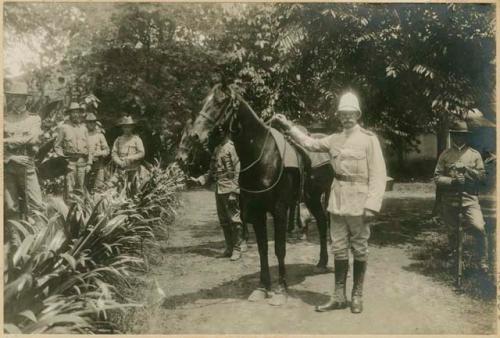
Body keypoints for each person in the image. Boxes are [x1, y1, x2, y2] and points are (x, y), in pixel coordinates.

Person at [273, 92, 387, 314]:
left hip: (360, 201)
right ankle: (338, 296)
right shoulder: (334, 139)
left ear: (358, 114)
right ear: (339, 116)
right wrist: (288, 125)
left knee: (360, 248)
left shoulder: (368, 139)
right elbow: (309, 143)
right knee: (339, 248)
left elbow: (378, 174)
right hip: (337, 201)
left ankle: (356, 296)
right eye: (343, 114)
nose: (346, 118)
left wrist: (372, 204)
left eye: (350, 114)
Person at [434, 120, 489, 272]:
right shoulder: (445, 154)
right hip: (450, 199)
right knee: (452, 232)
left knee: (479, 227)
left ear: (467, 137)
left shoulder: (474, 154)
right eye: (457, 135)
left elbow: (483, 178)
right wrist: (452, 181)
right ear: (453, 136)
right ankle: (455, 257)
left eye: (463, 135)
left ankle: (482, 260)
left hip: (470, 198)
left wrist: (467, 171)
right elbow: (437, 177)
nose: (460, 138)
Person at [189, 129, 246, 261]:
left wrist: (234, 191)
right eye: (217, 133)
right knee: (224, 221)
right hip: (219, 188)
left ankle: (237, 249)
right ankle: (229, 247)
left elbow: (238, 171)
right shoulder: (217, 149)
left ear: (225, 133)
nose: (218, 135)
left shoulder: (233, 148)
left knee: (234, 219)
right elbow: (212, 169)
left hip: (229, 188)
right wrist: (201, 179)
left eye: (220, 133)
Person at [4, 80, 45, 245]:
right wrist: (11, 156)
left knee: (36, 204)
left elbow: (33, 138)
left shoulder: (33, 119)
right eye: (12, 97)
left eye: (18, 97)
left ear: (25, 99)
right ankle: (15, 243)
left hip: (27, 164)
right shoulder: (4, 118)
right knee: (11, 206)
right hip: (8, 164)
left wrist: (6, 140)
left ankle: (39, 241)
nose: (14, 100)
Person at [54, 102, 92, 200]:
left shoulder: (84, 129)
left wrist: (89, 163)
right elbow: (57, 146)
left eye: (77, 112)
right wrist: (63, 159)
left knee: (80, 187)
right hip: (70, 161)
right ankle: (69, 210)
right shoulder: (64, 127)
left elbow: (89, 147)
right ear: (69, 114)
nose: (76, 114)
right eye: (73, 112)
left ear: (80, 113)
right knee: (69, 188)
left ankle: (80, 211)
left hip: (82, 162)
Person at [111, 116, 145, 195]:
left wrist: (130, 158)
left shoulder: (137, 139)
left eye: (129, 127)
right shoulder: (118, 139)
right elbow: (114, 153)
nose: (127, 129)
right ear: (122, 128)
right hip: (121, 169)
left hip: (133, 169)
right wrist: (119, 162)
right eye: (125, 127)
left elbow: (142, 153)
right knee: (119, 190)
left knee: (134, 191)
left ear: (132, 127)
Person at [85, 112, 110, 193]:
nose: (91, 124)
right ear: (86, 123)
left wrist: (98, 153)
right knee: (85, 189)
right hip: (85, 166)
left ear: (95, 123)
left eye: (93, 122)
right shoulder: (83, 135)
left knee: (98, 190)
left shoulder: (100, 136)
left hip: (98, 166)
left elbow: (107, 150)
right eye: (89, 122)